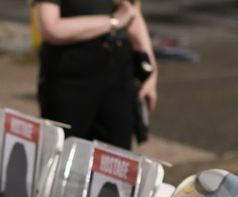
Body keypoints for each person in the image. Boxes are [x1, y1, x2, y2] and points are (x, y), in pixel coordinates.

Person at [33, 0, 158, 149]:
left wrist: (151, 68)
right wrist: (113, 22)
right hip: (71, 72)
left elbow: (131, 14)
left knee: (116, 157)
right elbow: (50, 28)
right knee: (64, 152)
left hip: (118, 69)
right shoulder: (114, 22)